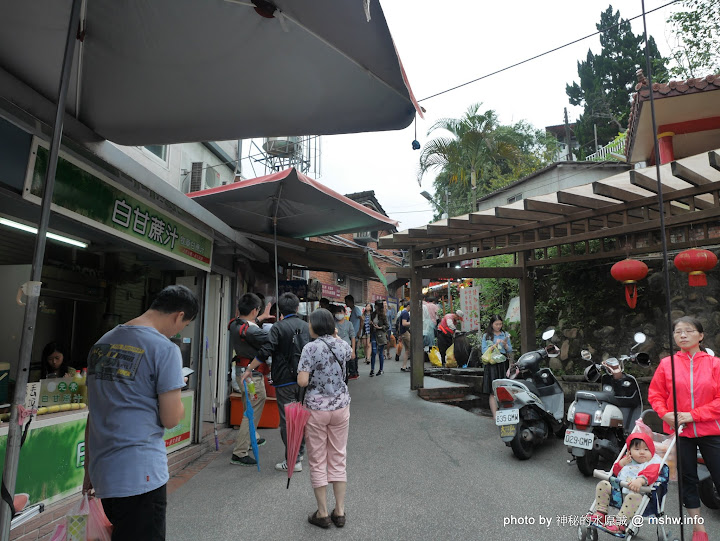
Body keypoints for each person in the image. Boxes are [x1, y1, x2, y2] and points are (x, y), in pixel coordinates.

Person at [83, 284, 199, 541]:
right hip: (141, 475)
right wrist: (177, 393)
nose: (179, 330)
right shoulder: (165, 349)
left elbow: (94, 414)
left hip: (104, 474)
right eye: (184, 324)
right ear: (179, 315)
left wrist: (88, 470)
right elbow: (170, 419)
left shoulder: (102, 344)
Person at [648, 316, 720, 541]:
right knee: (687, 479)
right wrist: (664, 413)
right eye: (678, 331)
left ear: (701, 335)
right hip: (681, 432)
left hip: (711, 430)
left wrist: (693, 414)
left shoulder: (715, 364)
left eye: (688, 331)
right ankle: (699, 530)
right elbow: (656, 394)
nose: (683, 335)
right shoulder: (666, 364)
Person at [241, 292, 310, 473]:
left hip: (284, 380)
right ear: (297, 308)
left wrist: (249, 368)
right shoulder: (306, 326)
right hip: (304, 379)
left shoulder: (278, 328)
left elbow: (266, 351)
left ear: (281, 310)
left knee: (288, 421)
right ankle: (299, 453)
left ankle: (293, 460)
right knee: (300, 417)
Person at [297, 309, 352, 529]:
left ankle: (322, 513)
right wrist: (336, 336)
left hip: (317, 410)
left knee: (318, 459)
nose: (308, 326)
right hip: (340, 407)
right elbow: (350, 356)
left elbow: (302, 381)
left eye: (310, 322)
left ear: (316, 326)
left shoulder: (310, 348)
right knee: (338, 456)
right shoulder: (343, 345)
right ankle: (339, 511)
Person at [587, 433, 664, 533]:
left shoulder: (652, 464)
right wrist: (621, 463)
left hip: (637, 497)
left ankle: (619, 523)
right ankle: (600, 513)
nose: (642, 452)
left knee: (634, 497)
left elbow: (651, 474)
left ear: (652, 452)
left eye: (646, 450)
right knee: (603, 484)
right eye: (637, 449)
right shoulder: (628, 460)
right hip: (618, 492)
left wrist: (640, 480)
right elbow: (615, 472)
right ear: (629, 451)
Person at [228, 293, 269, 466]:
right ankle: (240, 452)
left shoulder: (234, 324)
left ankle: (254, 436)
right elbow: (270, 341)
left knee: (249, 406)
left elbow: (249, 325)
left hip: (240, 372)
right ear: (254, 310)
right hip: (252, 375)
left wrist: (260, 317)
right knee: (252, 410)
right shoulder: (253, 331)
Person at [481, 314, 513, 417]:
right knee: (493, 390)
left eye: (500, 324)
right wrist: (495, 345)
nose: (498, 326)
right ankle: (495, 415)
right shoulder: (487, 336)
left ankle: (504, 413)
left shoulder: (505, 334)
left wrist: (505, 344)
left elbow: (510, 349)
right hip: (492, 363)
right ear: (492, 324)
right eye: (496, 324)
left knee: (504, 388)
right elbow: (484, 350)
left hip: (503, 362)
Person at [331, 305, 356, 380]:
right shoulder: (333, 324)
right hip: (335, 349)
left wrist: (353, 351)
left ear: (345, 313)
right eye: (337, 312)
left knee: (346, 367)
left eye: (340, 312)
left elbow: (352, 337)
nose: (339, 314)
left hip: (346, 349)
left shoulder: (349, 324)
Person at [344, 295, 362, 379]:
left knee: (352, 353)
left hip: (354, 335)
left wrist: (359, 331)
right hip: (353, 334)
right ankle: (355, 371)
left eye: (346, 301)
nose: (345, 303)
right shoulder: (353, 310)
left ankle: (353, 372)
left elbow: (362, 319)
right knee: (353, 353)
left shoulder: (356, 309)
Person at [369, 300, 389, 377]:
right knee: (373, 352)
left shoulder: (383, 315)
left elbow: (387, 326)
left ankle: (381, 369)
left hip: (380, 335)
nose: (375, 307)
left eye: (377, 305)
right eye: (375, 305)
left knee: (380, 352)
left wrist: (380, 327)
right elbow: (370, 324)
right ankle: (372, 369)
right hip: (374, 334)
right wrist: (371, 324)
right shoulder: (372, 314)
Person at [398, 303, 412, 372]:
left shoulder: (402, 312)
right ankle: (413, 365)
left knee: (407, 350)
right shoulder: (405, 313)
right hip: (405, 333)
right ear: (408, 306)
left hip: (402, 333)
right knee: (412, 349)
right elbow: (404, 323)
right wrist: (412, 322)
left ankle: (404, 366)